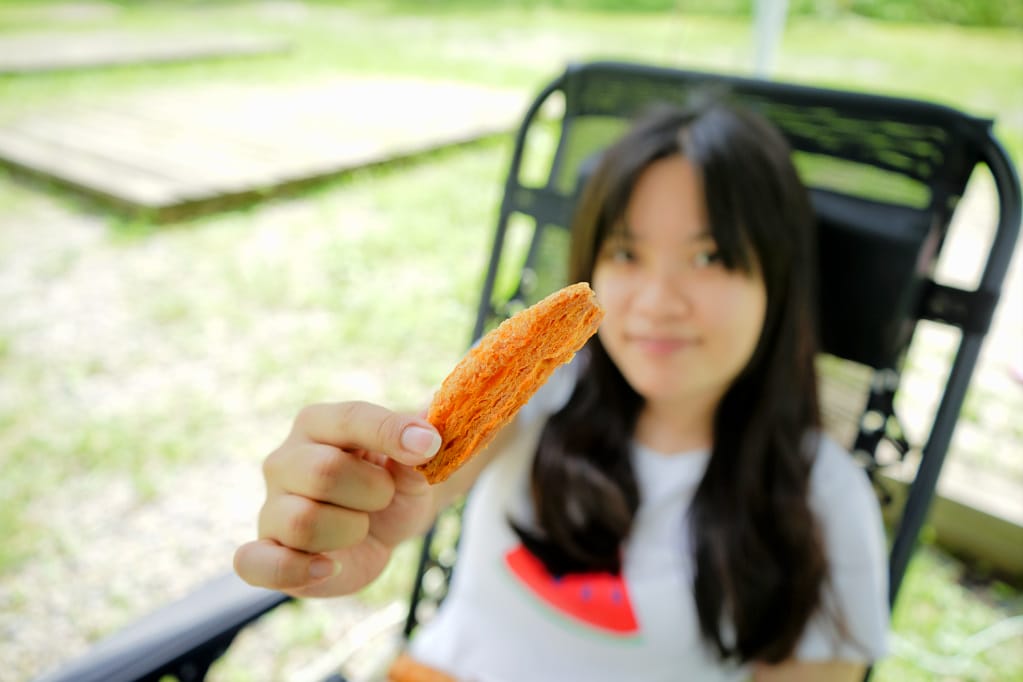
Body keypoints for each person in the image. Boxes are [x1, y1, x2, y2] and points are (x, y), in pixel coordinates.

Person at [234, 101, 890, 681]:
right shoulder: (536, 400)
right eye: (626, 254)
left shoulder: (826, 503)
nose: (655, 303)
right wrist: (355, 500)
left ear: (777, 284)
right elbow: (421, 470)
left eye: (708, 257)